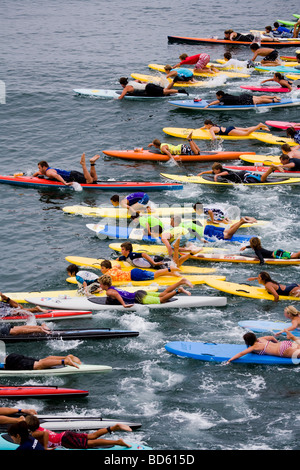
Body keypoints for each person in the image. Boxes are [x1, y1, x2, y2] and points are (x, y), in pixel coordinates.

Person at [25, 415, 132, 449]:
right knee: (92, 436)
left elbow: (45, 434)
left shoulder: (35, 433)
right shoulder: (39, 427)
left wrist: (44, 447)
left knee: (92, 443)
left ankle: (118, 442)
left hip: (64, 440)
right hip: (65, 434)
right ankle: (113, 427)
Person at [98, 274, 193, 308]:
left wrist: (124, 305)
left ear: (105, 285)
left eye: (101, 284)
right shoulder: (111, 287)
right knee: (163, 293)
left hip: (138, 298)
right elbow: (115, 292)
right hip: (139, 292)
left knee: (162, 300)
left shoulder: (108, 292)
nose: (100, 285)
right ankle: (181, 282)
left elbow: (115, 294)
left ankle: (178, 291)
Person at [226, 332, 300, 363]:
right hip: (284, 343)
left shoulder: (254, 347)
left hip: (282, 350)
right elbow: (271, 337)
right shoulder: (261, 339)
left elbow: (241, 354)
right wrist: (278, 344)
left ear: (247, 341)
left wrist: (229, 360)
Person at [32, 154, 100, 185]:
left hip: (72, 177)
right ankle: (92, 163)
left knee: (90, 182)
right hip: (72, 173)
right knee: (94, 179)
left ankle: (83, 164)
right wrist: (32, 177)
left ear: (44, 167)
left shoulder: (48, 172)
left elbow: (57, 176)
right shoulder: (48, 170)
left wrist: (65, 183)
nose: (39, 170)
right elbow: (38, 173)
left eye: (39, 168)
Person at [99, 260, 182, 283]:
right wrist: (120, 272)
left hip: (134, 276)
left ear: (107, 268)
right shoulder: (113, 268)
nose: (101, 270)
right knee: (154, 275)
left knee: (154, 275)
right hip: (133, 272)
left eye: (102, 268)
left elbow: (100, 280)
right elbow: (118, 266)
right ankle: (172, 273)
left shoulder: (107, 275)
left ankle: (170, 269)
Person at [197, 162, 276, 184]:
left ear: (218, 169)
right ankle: (271, 169)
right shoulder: (220, 170)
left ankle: (271, 168)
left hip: (244, 176)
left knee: (262, 180)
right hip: (244, 173)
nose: (213, 172)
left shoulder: (224, 171)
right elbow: (211, 171)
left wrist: (217, 175)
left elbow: (225, 174)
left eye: (215, 171)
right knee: (261, 178)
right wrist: (202, 172)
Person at [117, 77, 188, 100]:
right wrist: (142, 82)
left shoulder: (126, 88)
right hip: (149, 85)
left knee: (165, 92)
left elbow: (121, 97)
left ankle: (180, 91)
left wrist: (114, 99)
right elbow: (138, 80)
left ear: (122, 84)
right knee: (165, 90)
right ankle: (174, 82)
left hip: (149, 88)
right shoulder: (132, 81)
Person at [3, 353, 82, 370]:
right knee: (41, 361)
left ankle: (64, 361)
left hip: (11, 362)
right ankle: (67, 357)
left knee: (39, 365)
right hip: (11, 357)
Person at [204, 90, 281, 108]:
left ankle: (273, 100)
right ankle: (273, 96)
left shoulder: (223, 98)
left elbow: (217, 101)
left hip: (243, 101)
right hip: (243, 96)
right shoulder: (226, 95)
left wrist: (209, 105)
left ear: (220, 96)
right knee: (259, 97)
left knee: (259, 101)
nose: (217, 97)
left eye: (217, 96)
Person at [201, 119, 269, 139]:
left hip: (229, 132)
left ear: (208, 125)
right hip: (230, 128)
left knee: (246, 134)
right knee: (246, 129)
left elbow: (214, 137)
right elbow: (203, 127)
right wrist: (200, 128)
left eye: (205, 126)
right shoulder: (214, 125)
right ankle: (261, 128)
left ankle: (258, 126)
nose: (205, 127)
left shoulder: (211, 129)